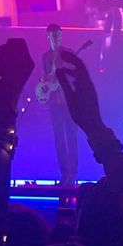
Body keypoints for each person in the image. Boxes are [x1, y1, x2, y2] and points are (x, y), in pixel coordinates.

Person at [42, 23, 78, 185]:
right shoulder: (45, 57)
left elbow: (75, 76)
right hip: (54, 103)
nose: (56, 38)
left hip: (69, 102)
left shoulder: (69, 53)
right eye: (53, 35)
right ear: (48, 36)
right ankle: (64, 173)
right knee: (59, 138)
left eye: (58, 35)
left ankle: (73, 173)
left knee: (71, 136)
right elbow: (45, 78)